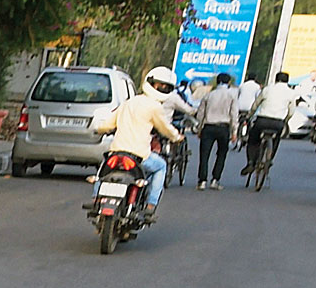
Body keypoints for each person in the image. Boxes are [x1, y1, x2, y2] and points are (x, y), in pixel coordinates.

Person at [91, 66, 183, 219]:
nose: (160, 88)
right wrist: (177, 137)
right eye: (161, 85)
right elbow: (166, 129)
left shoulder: (129, 102)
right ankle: (150, 205)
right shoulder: (155, 107)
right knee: (161, 166)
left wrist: (99, 129)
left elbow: (107, 125)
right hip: (139, 156)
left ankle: (95, 198)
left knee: (104, 171)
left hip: (117, 152)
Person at [245, 70, 297, 180]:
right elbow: (291, 111)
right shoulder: (291, 93)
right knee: (276, 139)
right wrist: (286, 120)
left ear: (276, 79)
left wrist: (249, 115)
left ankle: (250, 162)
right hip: (278, 122)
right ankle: (270, 158)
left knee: (253, 140)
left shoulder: (267, 89)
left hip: (262, 120)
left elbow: (255, 105)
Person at [194, 71, 240, 189]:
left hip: (208, 127)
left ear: (217, 82)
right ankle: (215, 180)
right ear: (228, 82)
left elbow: (200, 114)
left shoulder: (209, 95)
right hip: (223, 128)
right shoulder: (232, 96)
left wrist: (199, 128)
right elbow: (234, 115)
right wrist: (234, 132)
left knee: (204, 155)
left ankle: (202, 181)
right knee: (221, 154)